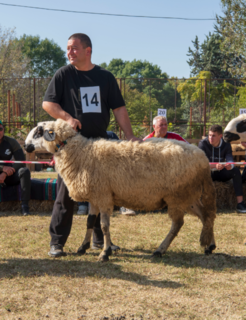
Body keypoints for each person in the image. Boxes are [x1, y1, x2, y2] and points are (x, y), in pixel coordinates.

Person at [42, 33, 141, 257]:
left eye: (74, 48)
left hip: (100, 146)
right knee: (65, 194)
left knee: (101, 194)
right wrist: (67, 118)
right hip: (71, 147)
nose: (69, 52)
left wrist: (130, 135)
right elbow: (48, 103)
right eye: (68, 48)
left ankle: (99, 240)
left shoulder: (105, 76)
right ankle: (56, 242)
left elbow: (119, 109)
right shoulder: (63, 74)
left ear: (88, 50)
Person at [77, 130, 137, 217]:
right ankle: (83, 204)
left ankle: (125, 205)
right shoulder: (83, 137)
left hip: (110, 170)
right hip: (92, 171)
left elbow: (120, 153)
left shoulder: (111, 135)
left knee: (122, 176)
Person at [198, 124, 246, 213]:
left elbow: (230, 158)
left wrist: (229, 165)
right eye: (209, 135)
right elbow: (199, 163)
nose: (210, 138)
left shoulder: (226, 144)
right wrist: (214, 166)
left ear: (220, 136)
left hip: (221, 172)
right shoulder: (202, 144)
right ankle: (198, 203)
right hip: (207, 173)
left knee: (235, 171)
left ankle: (240, 204)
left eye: (213, 136)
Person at [0, 120, 31, 215]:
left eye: (0, 129)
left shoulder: (11, 142)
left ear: (3, 129)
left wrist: (5, 173)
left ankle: (24, 206)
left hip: (9, 174)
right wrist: (2, 168)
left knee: (24, 171)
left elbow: (21, 161)